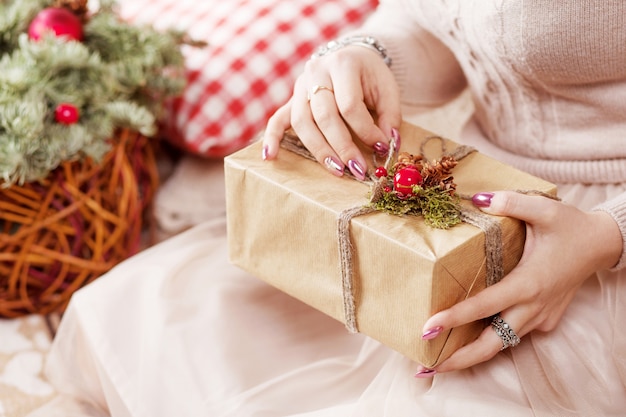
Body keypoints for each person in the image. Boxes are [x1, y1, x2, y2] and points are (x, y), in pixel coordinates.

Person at [32, 1, 626, 416]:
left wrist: (607, 234)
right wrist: (364, 56)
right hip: (469, 178)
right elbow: (441, 21)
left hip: (592, 242)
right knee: (151, 313)